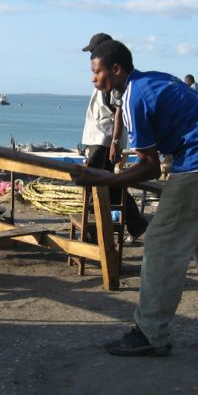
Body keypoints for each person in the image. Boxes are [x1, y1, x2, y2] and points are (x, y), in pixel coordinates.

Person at [75, 39, 198, 359]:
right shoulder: (154, 78)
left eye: (96, 72)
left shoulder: (133, 97)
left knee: (161, 244)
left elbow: (148, 167)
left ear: (116, 69)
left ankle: (150, 332)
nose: (93, 79)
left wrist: (104, 178)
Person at [81, 33, 148, 243]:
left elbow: (118, 111)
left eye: (94, 51)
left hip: (103, 138)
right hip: (98, 136)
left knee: (94, 184)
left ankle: (94, 229)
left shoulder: (114, 80)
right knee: (113, 185)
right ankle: (136, 224)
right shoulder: (103, 76)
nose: (92, 55)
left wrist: (116, 142)